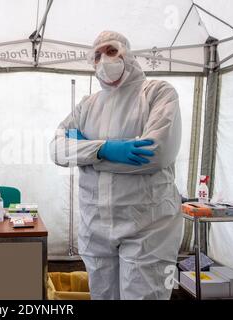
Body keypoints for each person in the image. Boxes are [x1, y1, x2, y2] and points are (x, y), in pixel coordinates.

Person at [50, 31, 183, 300]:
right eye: (96, 56)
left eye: (111, 51)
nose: (103, 60)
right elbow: (56, 150)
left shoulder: (157, 92)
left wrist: (87, 154)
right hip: (96, 227)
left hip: (147, 227)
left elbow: (156, 153)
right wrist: (104, 149)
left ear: (127, 53)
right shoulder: (87, 105)